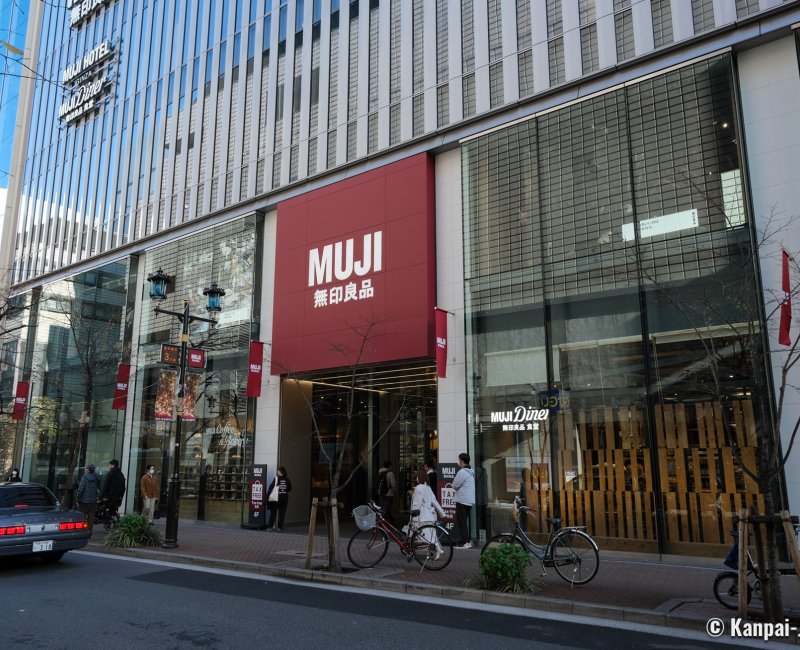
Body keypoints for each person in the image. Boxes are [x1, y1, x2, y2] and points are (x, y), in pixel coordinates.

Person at [411, 469, 445, 559]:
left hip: (421, 514)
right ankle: (433, 550)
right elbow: (434, 501)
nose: (416, 478)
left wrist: (413, 513)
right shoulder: (428, 488)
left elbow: (417, 503)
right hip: (430, 514)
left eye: (417, 477)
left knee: (423, 534)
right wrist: (442, 513)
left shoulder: (418, 488)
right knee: (431, 533)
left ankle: (434, 550)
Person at [453, 452, 475, 548]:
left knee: (462, 522)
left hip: (462, 500)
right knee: (464, 522)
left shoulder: (462, 472)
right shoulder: (471, 471)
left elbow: (454, 485)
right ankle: (466, 541)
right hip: (469, 501)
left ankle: (465, 542)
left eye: (459, 459)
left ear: (462, 461)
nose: (458, 461)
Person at [267, 466, 292, 531]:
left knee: (273, 513)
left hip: (276, 499)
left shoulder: (276, 479)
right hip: (284, 499)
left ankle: (270, 527)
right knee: (282, 514)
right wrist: (284, 490)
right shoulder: (287, 479)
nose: (277, 472)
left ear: (280, 472)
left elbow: (271, 487)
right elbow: (290, 488)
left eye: (278, 471)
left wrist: (267, 496)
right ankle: (280, 527)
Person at [76, 464, 100, 531]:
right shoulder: (96, 477)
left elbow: (81, 489)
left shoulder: (84, 477)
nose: (85, 469)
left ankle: (81, 531)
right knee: (91, 518)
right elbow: (98, 488)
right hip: (93, 501)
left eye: (86, 468)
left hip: (83, 501)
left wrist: (77, 499)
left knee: (81, 517)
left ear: (88, 470)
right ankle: (89, 531)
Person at [377, 460, 396, 526]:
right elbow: (393, 484)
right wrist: (395, 492)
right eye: (391, 465)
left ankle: (392, 523)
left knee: (387, 509)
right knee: (386, 510)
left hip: (382, 493)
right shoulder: (390, 473)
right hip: (389, 493)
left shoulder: (380, 472)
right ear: (390, 466)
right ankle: (380, 523)